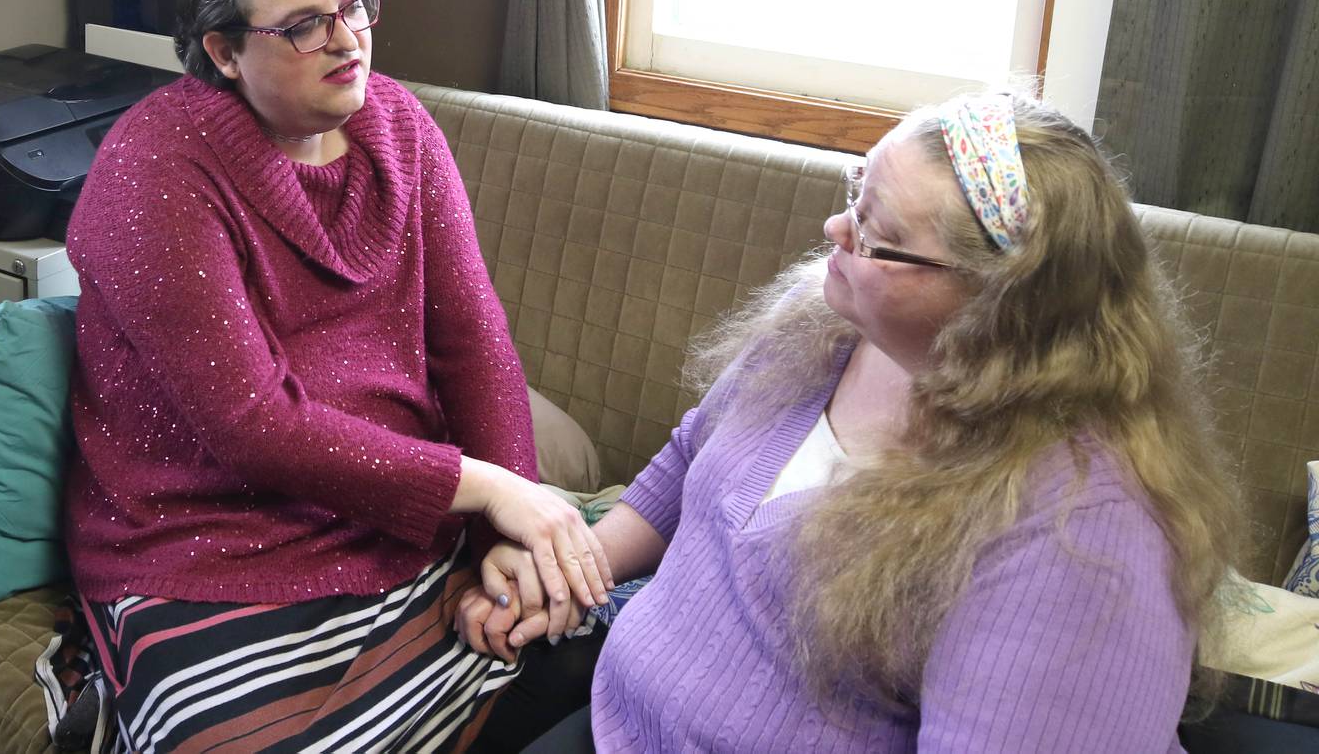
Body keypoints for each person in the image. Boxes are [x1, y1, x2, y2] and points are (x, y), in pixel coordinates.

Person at [459, 91, 1243, 752]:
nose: (837, 233)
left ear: (999, 305)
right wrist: (573, 568)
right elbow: (692, 454)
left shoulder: (1081, 538)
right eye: (855, 194)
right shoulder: (829, 318)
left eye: (880, 237)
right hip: (619, 719)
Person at [63, 0, 610, 752]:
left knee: (607, 648)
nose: (349, 39)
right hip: (213, 544)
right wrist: (497, 488)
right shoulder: (155, 170)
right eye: (306, 25)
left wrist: (507, 525)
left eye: (354, 6)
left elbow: (473, 341)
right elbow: (255, 426)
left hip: (403, 511)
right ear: (225, 51)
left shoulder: (402, 127)